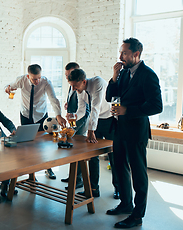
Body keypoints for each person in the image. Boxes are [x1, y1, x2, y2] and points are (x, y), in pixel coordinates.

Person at [106, 38, 162, 228]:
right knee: (119, 167)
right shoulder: (122, 74)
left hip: (137, 131)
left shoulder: (148, 75)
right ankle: (126, 204)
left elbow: (156, 105)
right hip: (120, 129)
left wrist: (128, 110)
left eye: (124, 53)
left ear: (136, 54)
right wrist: (114, 77)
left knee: (138, 173)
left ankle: (137, 216)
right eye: (120, 52)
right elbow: (109, 97)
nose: (120, 56)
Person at [5, 64, 66, 180]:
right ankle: (31, 174)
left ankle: (48, 168)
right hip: (25, 115)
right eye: (34, 79)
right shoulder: (21, 80)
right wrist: (7, 88)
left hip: (41, 116)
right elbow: (9, 86)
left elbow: (53, 99)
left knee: (44, 145)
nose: (37, 81)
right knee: (28, 145)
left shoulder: (46, 82)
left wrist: (58, 115)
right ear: (28, 76)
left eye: (39, 78)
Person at [67, 68, 119, 199]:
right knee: (93, 156)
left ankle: (119, 188)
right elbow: (82, 110)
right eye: (71, 85)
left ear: (84, 81)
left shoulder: (98, 83)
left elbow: (95, 107)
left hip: (110, 120)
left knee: (114, 156)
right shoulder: (80, 90)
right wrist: (73, 117)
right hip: (96, 122)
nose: (73, 89)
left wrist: (91, 131)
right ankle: (93, 188)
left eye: (75, 85)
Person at [60, 62, 90, 189]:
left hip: (80, 121)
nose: (67, 77)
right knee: (73, 149)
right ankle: (73, 176)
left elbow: (85, 108)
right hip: (73, 119)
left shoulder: (83, 86)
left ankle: (78, 180)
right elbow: (73, 99)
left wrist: (76, 124)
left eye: (69, 75)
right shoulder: (72, 83)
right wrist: (68, 105)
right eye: (66, 75)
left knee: (78, 150)